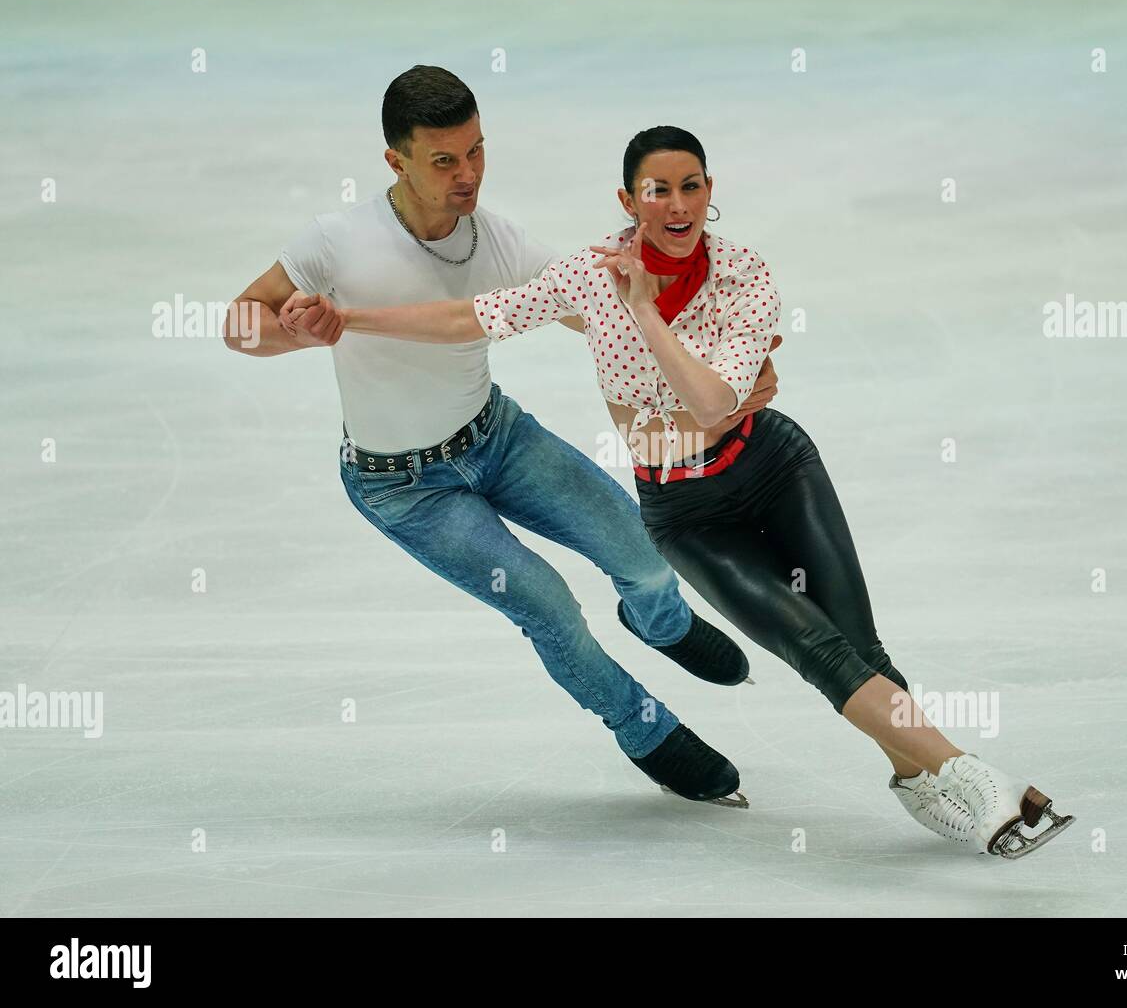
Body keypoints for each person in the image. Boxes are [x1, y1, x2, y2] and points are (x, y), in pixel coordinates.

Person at [283, 125, 1076, 858]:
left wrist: (647, 317)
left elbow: (704, 403)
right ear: (628, 203)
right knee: (815, 649)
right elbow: (470, 318)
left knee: (861, 647)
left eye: (690, 185)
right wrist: (350, 318)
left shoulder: (744, 275)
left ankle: (920, 777)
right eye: (656, 190)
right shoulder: (591, 277)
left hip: (774, 467)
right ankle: (977, 780)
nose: (675, 204)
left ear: (708, 190)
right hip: (689, 515)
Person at [223, 70, 784, 809]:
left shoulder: (497, 237)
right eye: (446, 161)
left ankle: (663, 620)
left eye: (478, 151)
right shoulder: (338, 241)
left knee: (642, 548)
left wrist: (716, 364)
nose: (469, 175)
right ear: (397, 162)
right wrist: (301, 332)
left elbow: (600, 312)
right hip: (405, 488)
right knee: (549, 607)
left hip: (499, 438)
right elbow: (238, 326)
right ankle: (645, 728)